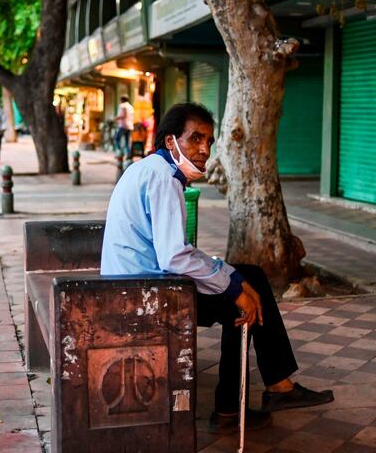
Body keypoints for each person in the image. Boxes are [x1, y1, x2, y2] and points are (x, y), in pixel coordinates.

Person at [101, 102, 334, 433]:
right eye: (195, 139)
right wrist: (232, 285)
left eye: (209, 141)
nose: (203, 150)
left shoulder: (149, 170)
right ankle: (244, 402)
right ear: (170, 141)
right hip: (146, 296)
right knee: (244, 297)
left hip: (137, 287)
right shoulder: (164, 178)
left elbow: (175, 253)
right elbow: (173, 257)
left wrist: (229, 277)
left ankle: (260, 393)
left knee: (248, 279)